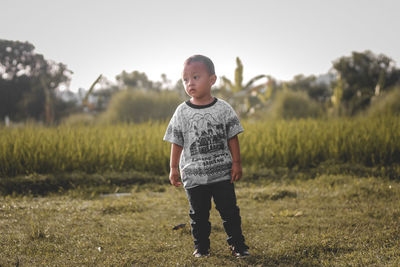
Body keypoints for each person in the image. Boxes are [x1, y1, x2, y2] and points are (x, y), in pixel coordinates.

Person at [163, 55, 249, 258]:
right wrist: (174, 168)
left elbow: (232, 138)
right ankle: (201, 248)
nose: (190, 83)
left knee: (230, 212)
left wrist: (236, 163)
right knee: (198, 215)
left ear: (212, 80)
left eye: (195, 77)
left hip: (222, 174)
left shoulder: (223, 109)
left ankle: (238, 246)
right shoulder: (182, 112)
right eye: (185, 79)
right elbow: (177, 141)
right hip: (194, 176)